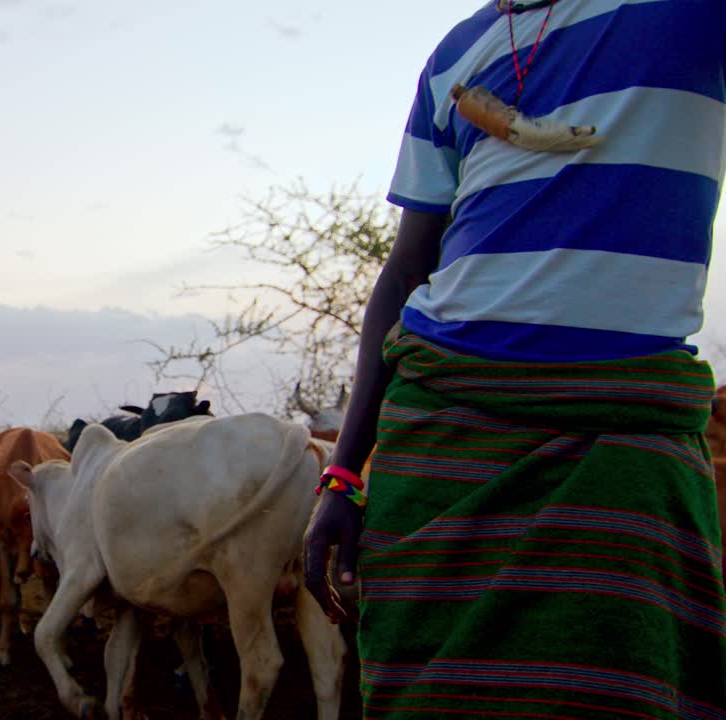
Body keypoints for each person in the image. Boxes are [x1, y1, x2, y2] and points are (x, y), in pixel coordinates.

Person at [303, 1, 726, 718]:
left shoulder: (684, 13)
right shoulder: (454, 55)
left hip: (619, 437)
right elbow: (406, 269)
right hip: (437, 437)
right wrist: (342, 474)